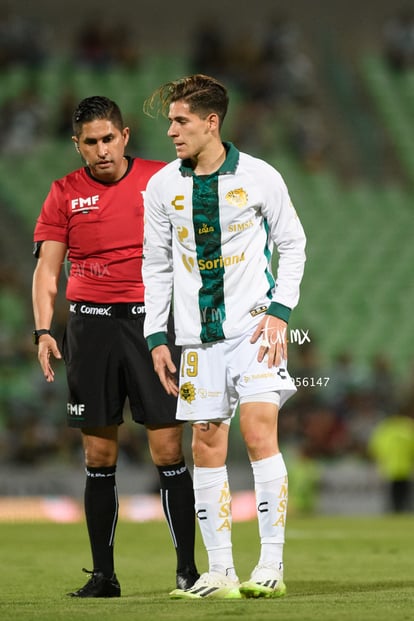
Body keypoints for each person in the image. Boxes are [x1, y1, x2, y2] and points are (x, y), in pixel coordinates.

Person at [142, 74, 306, 599]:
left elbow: (293, 244)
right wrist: (156, 335)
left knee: (260, 434)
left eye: (180, 120)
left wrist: (281, 312)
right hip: (197, 340)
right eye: (171, 120)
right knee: (206, 444)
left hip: (254, 329)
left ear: (211, 123)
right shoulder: (163, 185)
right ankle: (219, 574)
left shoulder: (260, 176)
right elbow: (157, 264)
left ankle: (272, 566)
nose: (171, 130)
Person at [32, 96, 199, 598]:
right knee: (98, 455)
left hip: (153, 325)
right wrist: (43, 331)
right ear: (77, 145)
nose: (102, 150)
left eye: (109, 139)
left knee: (168, 448)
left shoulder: (164, 178)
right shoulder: (63, 193)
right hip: (91, 329)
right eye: (91, 142)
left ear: (125, 136)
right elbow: (47, 270)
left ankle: (188, 573)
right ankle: (104, 576)